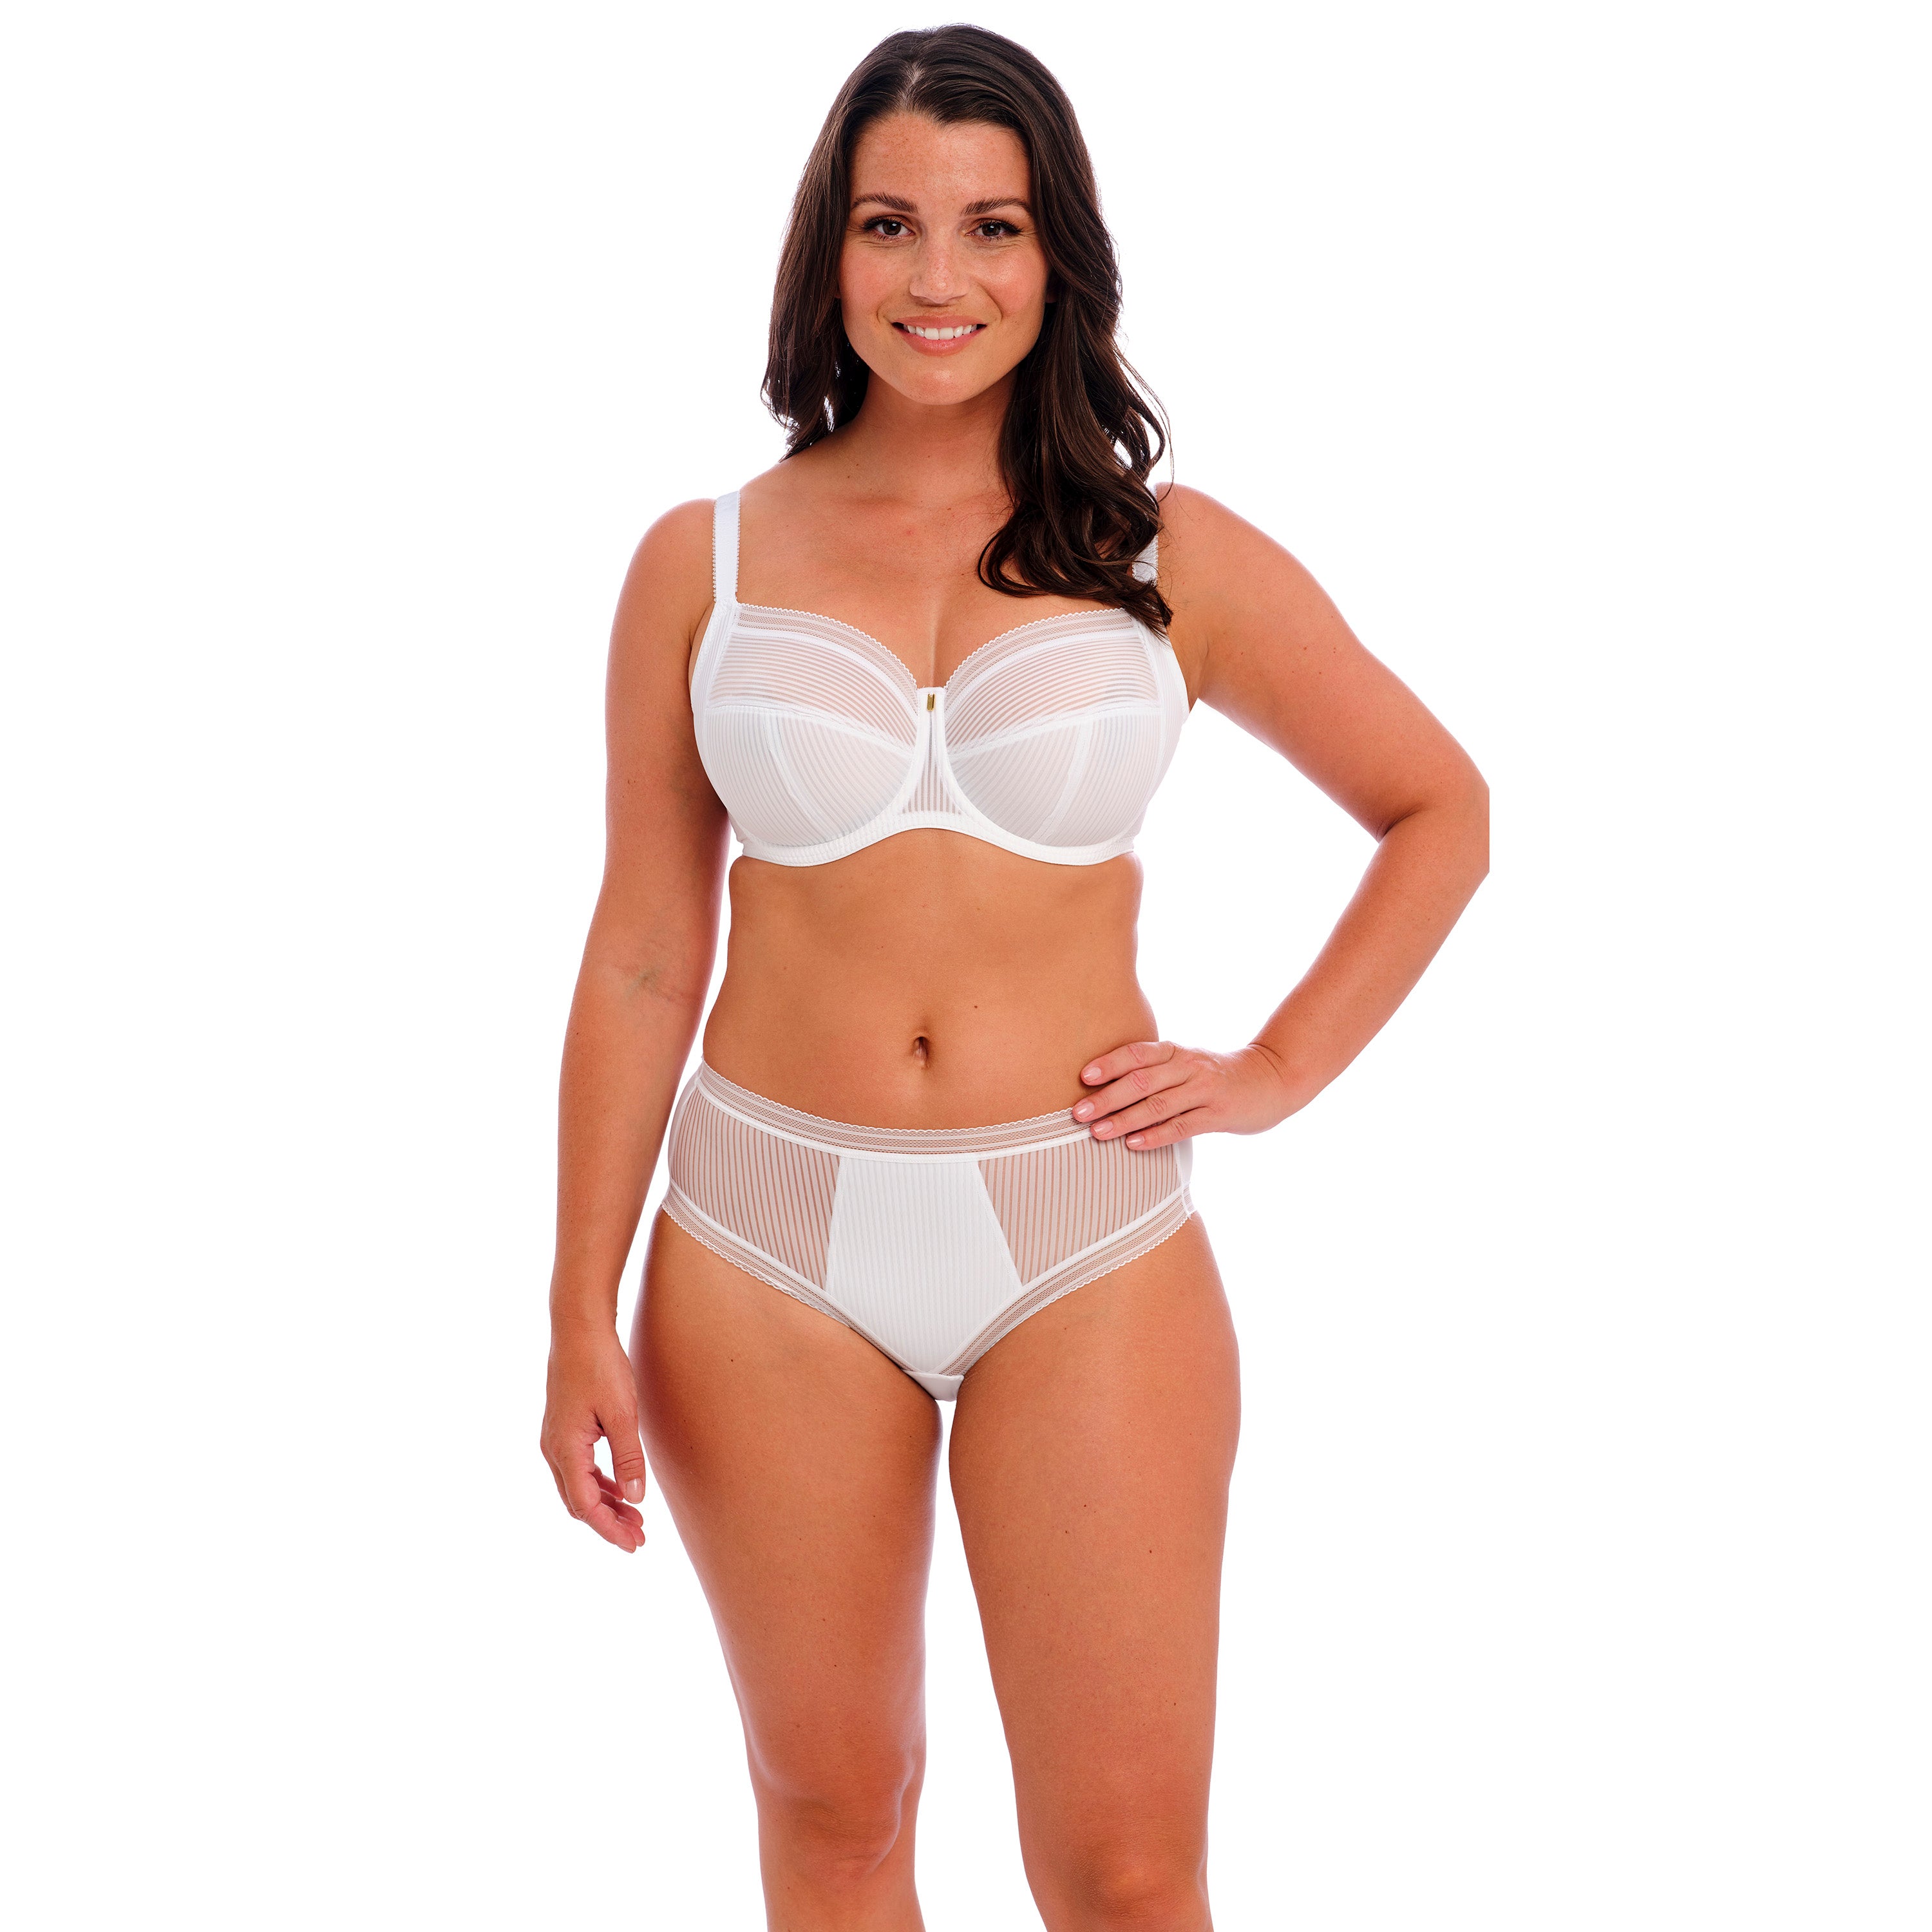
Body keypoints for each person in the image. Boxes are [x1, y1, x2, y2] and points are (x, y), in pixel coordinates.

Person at [540, 24, 1487, 1930]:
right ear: (829, 251)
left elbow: (1437, 808)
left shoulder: (1164, 555)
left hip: (1086, 1237)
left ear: (1060, 258)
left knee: (1126, 1875)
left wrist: (1276, 1069)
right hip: (763, 1239)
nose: (940, 276)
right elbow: (644, 949)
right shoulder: (700, 564)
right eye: (890, 223)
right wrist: (576, 1301)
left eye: (994, 226)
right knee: (834, 1816)